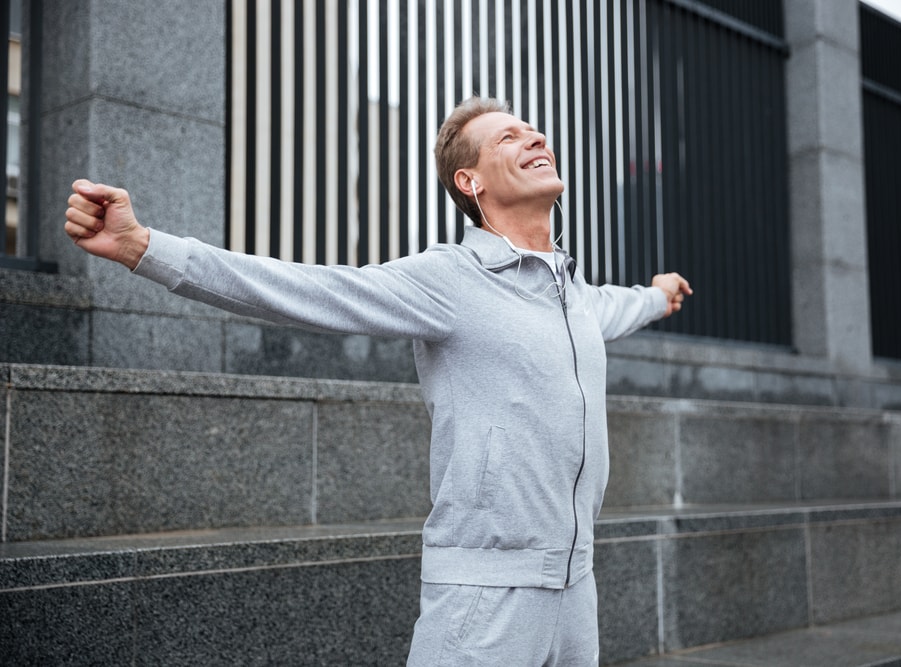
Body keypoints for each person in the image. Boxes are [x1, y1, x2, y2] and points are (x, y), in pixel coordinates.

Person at [64, 97, 692, 666]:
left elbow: (617, 306)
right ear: (468, 182)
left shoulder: (570, 292)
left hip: (576, 588)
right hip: (485, 596)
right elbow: (305, 291)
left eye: (531, 129)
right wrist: (143, 247)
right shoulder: (450, 279)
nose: (532, 137)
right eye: (507, 137)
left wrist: (660, 296)